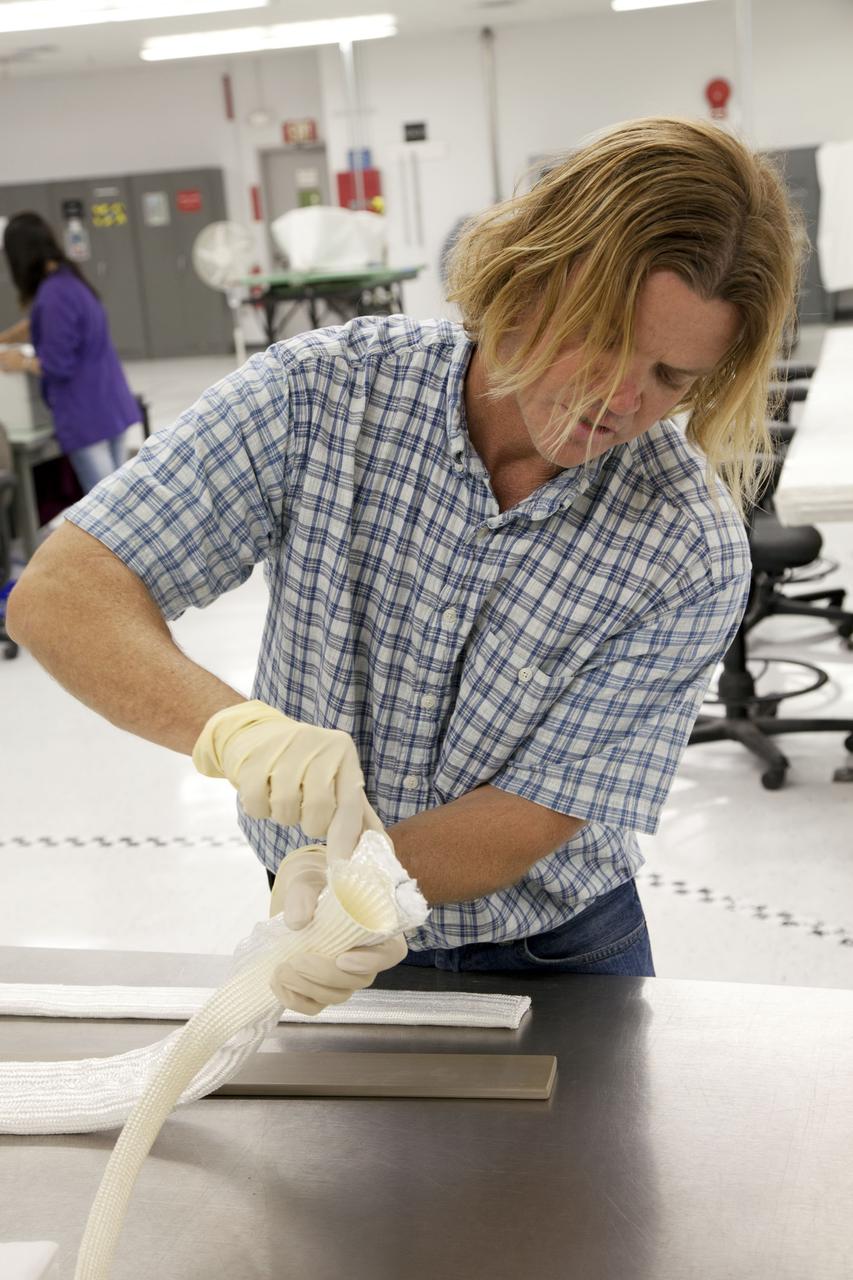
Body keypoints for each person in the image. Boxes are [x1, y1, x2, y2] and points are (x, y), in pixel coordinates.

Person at [7, 118, 802, 1015]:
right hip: (309, 909)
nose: (621, 402)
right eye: (607, 340)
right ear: (530, 274)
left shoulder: (683, 545)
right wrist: (236, 732)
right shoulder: (325, 395)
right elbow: (62, 594)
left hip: (554, 955)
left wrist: (358, 892)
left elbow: (519, 821)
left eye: (669, 376)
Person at [0, 211, 140, 493]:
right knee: (121, 498)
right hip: (108, 403)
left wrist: (21, 361)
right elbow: (68, 325)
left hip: (85, 415)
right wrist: (18, 332)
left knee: (104, 507)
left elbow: (56, 366)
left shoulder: (52, 296)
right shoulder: (69, 279)